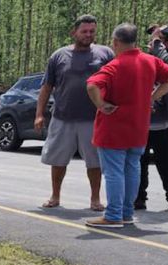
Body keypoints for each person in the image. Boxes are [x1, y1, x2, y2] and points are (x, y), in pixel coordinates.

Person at [84, 23, 168, 228]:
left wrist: (101, 105)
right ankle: (127, 212)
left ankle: (113, 215)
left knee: (114, 171)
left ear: (116, 42)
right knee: (132, 168)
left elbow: (92, 84)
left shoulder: (114, 65)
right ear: (135, 41)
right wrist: (152, 97)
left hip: (114, 128)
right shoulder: (150, 61)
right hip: (139, 126)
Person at [35, 14, 115, 211]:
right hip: (63, 116)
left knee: (94, 161)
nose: (88, 35)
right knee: (58, 160)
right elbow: (46, 87)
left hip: (94, 118)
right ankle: (55, 196)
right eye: (84, 31)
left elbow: (116, 82)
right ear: (74, 33)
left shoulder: (105, 54)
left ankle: (95, 199)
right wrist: (39, 114)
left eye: (92, 31)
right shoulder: (59, 56)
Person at [136, 24, 168, 213]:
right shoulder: (147, 57)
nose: (156, 42)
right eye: (156, 39)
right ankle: (138, 197)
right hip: (142, 120)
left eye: (162, 39)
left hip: (163, 120)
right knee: (139, 162)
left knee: (165, 162)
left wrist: (157, 44)